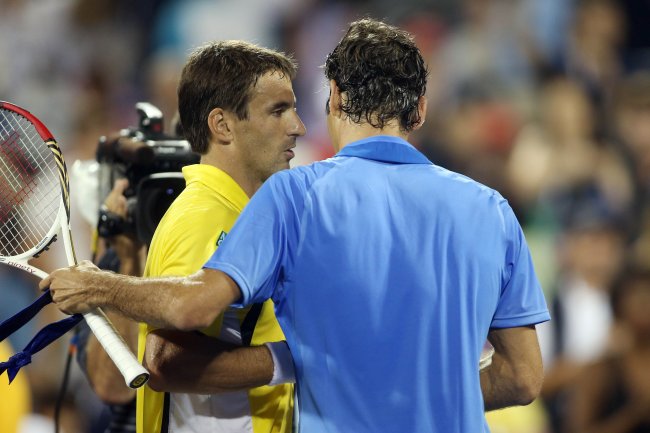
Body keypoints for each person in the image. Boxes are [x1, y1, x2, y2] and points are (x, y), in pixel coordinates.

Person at [44, 18, 549, 432]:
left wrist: (98, 284)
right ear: (419, 109)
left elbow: (193, 304)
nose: (299, 125)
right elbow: (523, 379)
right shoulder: (492, 209)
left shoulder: (294, 195)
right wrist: (425, 399)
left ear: (332, 97)